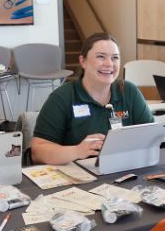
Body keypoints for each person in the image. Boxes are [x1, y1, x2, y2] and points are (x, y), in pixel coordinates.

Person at [31, 33, 154, 165]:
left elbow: (152, 135)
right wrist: (77, 151)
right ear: (83, 61)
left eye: (115, 58)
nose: (109, 64)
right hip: (79, 176)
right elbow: (37, 151)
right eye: (101, 57)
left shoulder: (129, 91)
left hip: (124, 169)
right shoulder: (62, 98)